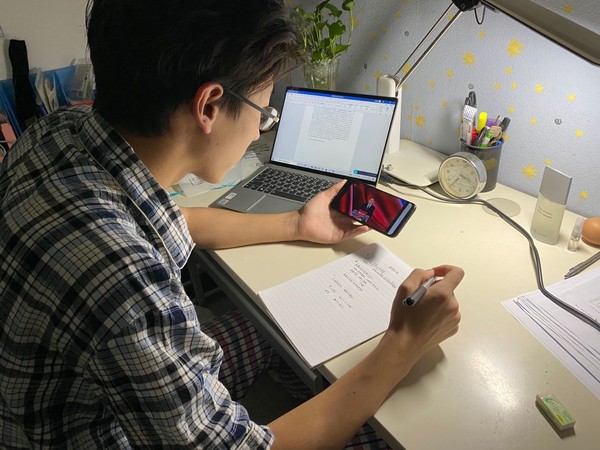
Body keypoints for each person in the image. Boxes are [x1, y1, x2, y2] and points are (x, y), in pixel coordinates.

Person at [0, 0, 464, 448]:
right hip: (101, 433)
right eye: (265, 113)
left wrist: (296, 224)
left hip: (51, 403)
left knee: (271, 333)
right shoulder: (127, 287)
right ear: (209, 106)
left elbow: (175, 220)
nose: (259, 129)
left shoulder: (58, 132)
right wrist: (404, 342)